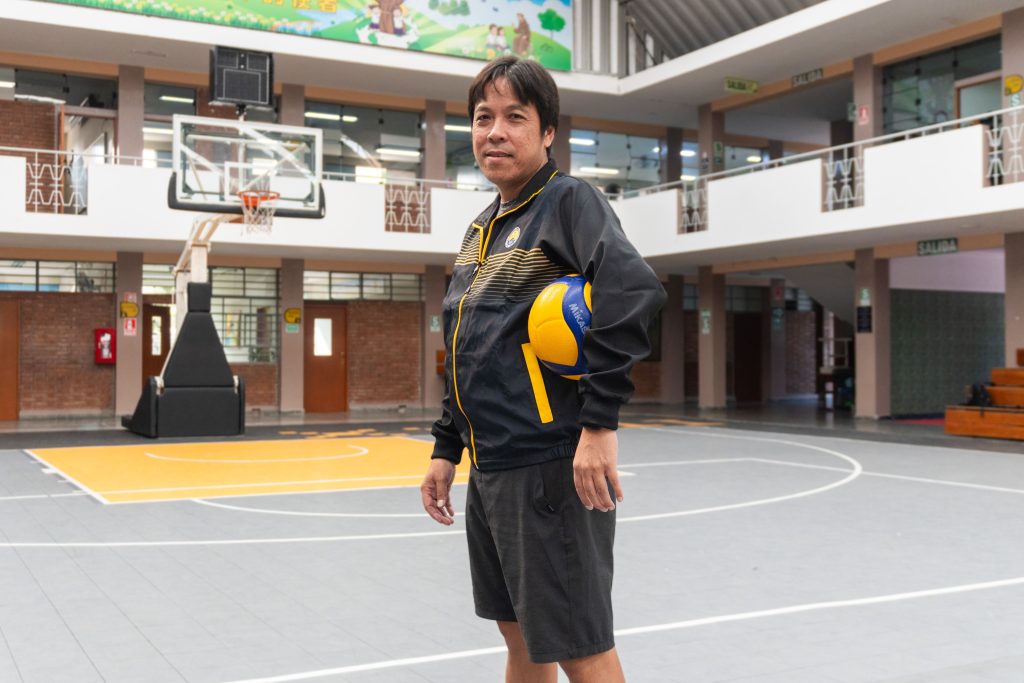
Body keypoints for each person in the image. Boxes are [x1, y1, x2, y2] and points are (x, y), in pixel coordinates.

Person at [420, 56, 664, 683]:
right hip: (492, 464)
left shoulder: (568, 202)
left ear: (547, 131)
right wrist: (447, 446)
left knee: (579, 644)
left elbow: (632, 292)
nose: (495, 132)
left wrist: (599, 424)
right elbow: (468, 345)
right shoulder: (481, 228)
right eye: (483, 118)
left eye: (514, 118)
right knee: (522, 637)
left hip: (550, 464)